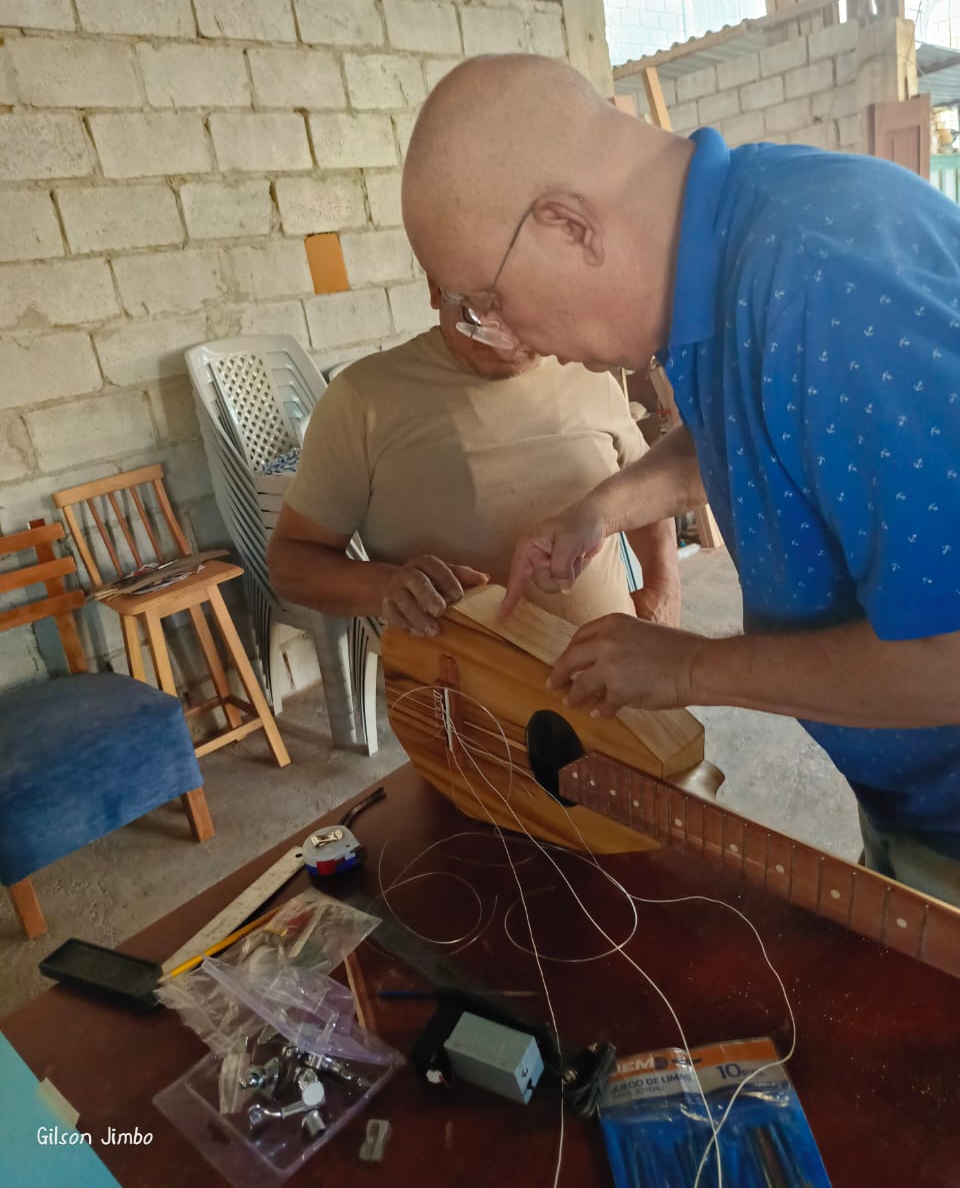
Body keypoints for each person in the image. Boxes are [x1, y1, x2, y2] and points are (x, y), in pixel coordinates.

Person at [400, 53, 960, 902]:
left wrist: (691, 669)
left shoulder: (821, 280)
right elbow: (752, 426)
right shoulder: (727, 254)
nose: (504, 338)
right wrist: (601, 511)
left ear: (567, 225)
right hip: (912, 800)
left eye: (489, 301)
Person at [266, 278, 681, 641]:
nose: (507, 337)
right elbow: (290, 562)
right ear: (436, 286)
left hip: (611, 684)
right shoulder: (363, 399)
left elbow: (646, 492)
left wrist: (663, 588)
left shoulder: (587, 372)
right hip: (459, 697)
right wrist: (385, 586)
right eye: (481, 312)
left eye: (529, 313)